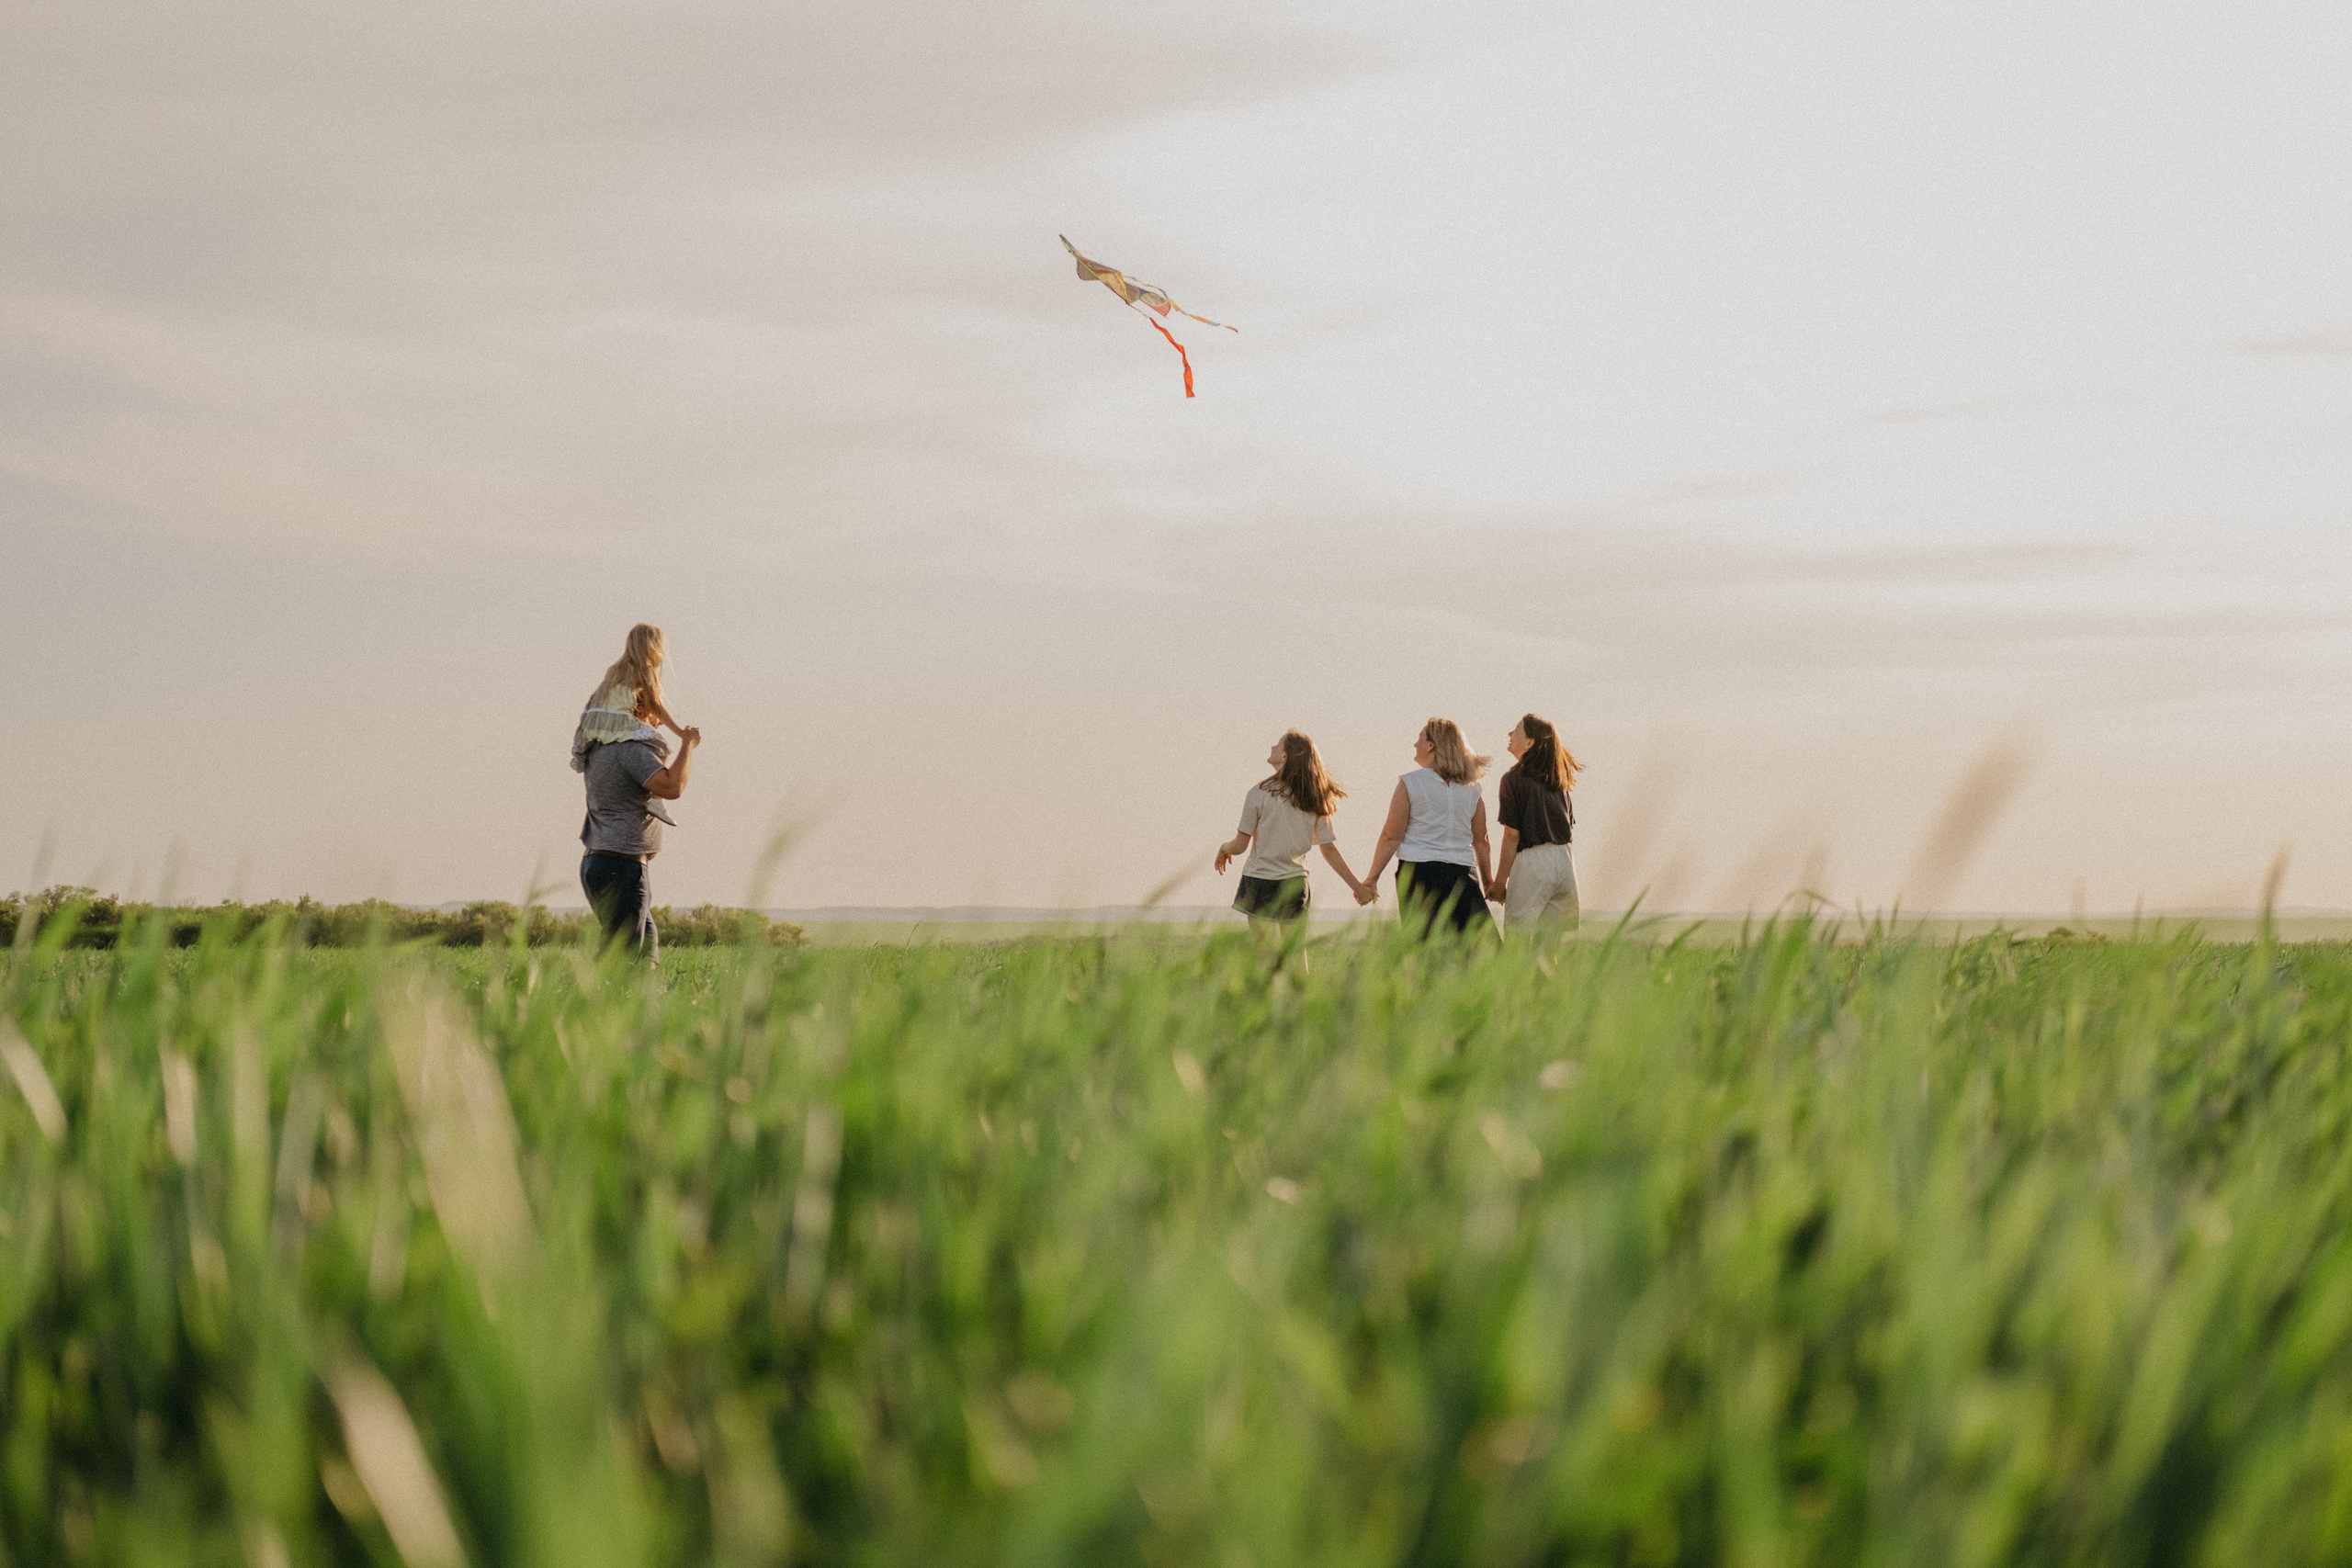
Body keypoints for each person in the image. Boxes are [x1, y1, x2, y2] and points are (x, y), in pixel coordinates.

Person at [575, 626, 701, 959]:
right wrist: (686, 744)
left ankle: (646, 1008)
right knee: (621, 959)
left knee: (646, 951)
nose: (656, 724)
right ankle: (595, 1007)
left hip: (599, 862)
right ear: (640, 707)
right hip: (622, 867)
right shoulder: (631, 749)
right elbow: (672, 787)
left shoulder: (599, 749)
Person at [1215, 731, 1373, 928]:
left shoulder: (1258, 793)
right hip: (1295, 883)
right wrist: (1357, 887)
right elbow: (1329, 850)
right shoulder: (1313, 797)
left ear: (1284, 756)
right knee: (1297, 956)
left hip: (1260, 881)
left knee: (1264, 955)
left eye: (1278, 744)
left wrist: (1224, 848)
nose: (1272, 747)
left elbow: (1239, 846)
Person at [1363, 717, 1495, 938]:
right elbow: (1481, 840)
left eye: (1419, 738)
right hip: (1463, 876)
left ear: (1431, 745)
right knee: (1477, 953)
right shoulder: (1473, 789)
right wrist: (1488, 881)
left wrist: (1371, 879)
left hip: (1419, 874)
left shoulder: (1410, 783)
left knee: (1425, 954)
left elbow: (1391, 837)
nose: (1415, 744)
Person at [1487, 713, 1581, 932]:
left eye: (1516, 730)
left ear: (1530, 742)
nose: (1510, 734)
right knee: (1548, 949)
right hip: (1564, 861)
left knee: (1517, 942)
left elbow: (1512, 836)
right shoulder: (1559, 780)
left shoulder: (1513, 779)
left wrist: (1500, 883)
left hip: (1533, 862)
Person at [571, 623, 690, 770]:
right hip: (621, 721)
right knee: (661, 747)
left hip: (598, 723)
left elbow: (618, 700)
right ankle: (655, 789)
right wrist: (681, 733)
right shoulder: (645, 670)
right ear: (654, 646)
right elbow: (656, 705)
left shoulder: (615, 669)